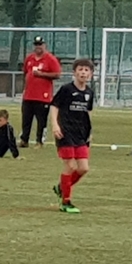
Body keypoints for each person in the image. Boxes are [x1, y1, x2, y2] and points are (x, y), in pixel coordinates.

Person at [49, 58, 96, 213]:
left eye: (86, 70)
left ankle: (61, 187)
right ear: (74, 72)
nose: (83, 72)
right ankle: (65, 202)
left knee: (83, 168)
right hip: (65, 132)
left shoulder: (89, 92)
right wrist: (55, 125)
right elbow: (54, 106)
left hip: (81, 134)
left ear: (91, 74)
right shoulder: (66, 89)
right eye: (80, 69)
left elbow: (88, 112)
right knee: (70, 166)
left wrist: (90, 131)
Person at [19, 36, 62, 148]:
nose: (38, 47)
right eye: (36, 44)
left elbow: (57, 74)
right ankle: (24, 140)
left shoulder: (50, 59)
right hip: (28, 95)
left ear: (44, 45)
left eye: (40, 44)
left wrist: (41, 74)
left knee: (41, 121)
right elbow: (25, 72)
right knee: (26, 119)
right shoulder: (29, 58)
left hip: (43, 96)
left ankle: (39, 141)